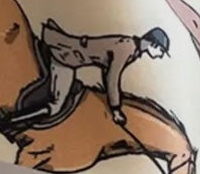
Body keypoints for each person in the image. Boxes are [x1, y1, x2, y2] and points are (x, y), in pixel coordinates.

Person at [41, 20, 170, 126]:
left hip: (72, 56)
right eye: (161, 51)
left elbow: (107, 69)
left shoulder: (131, 48)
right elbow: (112, 78)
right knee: (56, 107)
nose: (160, 55)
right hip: (66, 57)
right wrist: (115, 109)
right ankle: (26, 120)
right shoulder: (127, 48)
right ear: (153, 44)